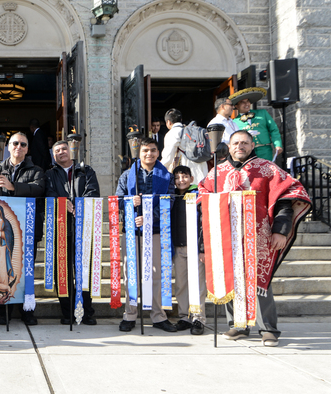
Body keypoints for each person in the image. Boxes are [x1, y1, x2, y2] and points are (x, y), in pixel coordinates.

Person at [199, 130, 311, 346]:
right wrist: (205, 244)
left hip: (261, 236)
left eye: (244, 143)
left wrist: (281, 230)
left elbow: (286, 198)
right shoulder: (216, 172)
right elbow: (205, 206)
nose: (239, 146)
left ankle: (268, 328)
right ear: (229, 147)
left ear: (252, 146)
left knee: (260, 281)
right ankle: (238, 325)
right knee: (230, 279)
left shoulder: (268, 168)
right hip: (226, 237)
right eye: (235, 143)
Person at [0, 131, 45, 326]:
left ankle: (27, 311)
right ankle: (4, 311)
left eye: (23, 144)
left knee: (26, 271)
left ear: (27, 149)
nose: (19, 147)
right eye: (15, 143)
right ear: (9, 147)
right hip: (2, 234)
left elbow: (39, 189)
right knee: (0, 272)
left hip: (27, 229)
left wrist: (13, 187)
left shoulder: (36, 170)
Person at [116, 137, 177, 333]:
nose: (149, 154)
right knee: (131, 273)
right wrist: (128, 202)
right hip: (132, 231)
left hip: (157, 231)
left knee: (156, 274)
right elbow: (117, 201)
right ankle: (130, 314)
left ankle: (158, 316)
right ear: (139, 153)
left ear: (158, 153)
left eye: (152, 150)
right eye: (145, 151)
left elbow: (169, 202)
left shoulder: (166, 176)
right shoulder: (127, 175)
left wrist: (149, 218)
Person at [45, 140, 100, 325]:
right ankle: (67, 312)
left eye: (64, 149)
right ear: (54, 155)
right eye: (57, 150)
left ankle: (86, 312)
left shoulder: (85, 170)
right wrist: (62, 201)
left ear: (71, 151)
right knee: (63, 272)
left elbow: (92, 191)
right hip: (61, 229)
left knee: (84, 272)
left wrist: (80, 205)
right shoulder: (49, 174)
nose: (62, 152)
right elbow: (47, 192)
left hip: (83, 228)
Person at [171, 165, 206, 335]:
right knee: (181, 284)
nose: (181, 181)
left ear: (192, 179)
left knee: (197, 285)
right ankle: (184, 316)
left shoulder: (198, 195)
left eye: (184, 177)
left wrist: (202, 248)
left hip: (195, 247)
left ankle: (198, 318)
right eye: (177, 178)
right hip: (178, 247)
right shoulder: (172, 197)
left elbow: (203, 224)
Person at [231, 88, 283, 161]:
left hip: (265, 150)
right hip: (247, 152)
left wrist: (277, 145)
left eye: (248, 101)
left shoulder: (262, 113)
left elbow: (274, 129)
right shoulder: (234, 122)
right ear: (236, 106)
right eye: (243, 102)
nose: (246, 104)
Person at [161, 108, 208, 184]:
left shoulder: (172, 132)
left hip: (186, 167)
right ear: (181, 119)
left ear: (168, 122)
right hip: (201, 164)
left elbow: (168, 156)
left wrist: (158, 167)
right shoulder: (191, 130)